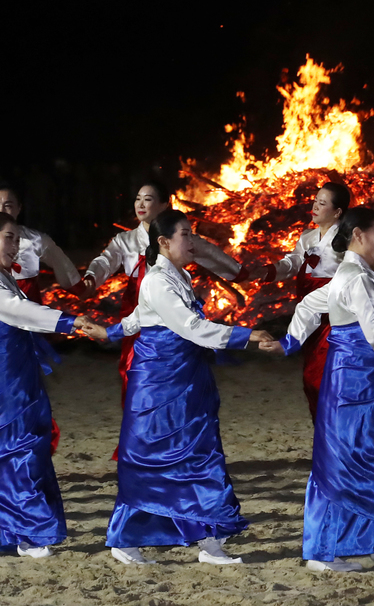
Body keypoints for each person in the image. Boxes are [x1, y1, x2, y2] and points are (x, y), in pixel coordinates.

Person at [263, 207, 374, 571]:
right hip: (357, 385)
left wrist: (290, 342)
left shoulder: (355, 274)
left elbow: (311, 304)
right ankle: (322, 550)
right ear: (359, 234)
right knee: (346, 462)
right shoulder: (356, 277)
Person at [104, 210, 273, 566]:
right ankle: (128, 538)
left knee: (199, 455)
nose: (191, 242)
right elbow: (191, 327)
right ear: (163, 242)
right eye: (184, 235)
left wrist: (112, 331)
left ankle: (211, 541)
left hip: (185, 377)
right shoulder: (158, 280)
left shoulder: (175, 275)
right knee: (156, 460)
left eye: (191, 234)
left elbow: (138, 316)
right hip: (160, 382)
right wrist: (246, 336)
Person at [0, 213, 107, 558]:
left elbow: (20, 311)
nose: (15, 246)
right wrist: (71, 320)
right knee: (7, 453)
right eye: (8, 238)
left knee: (12, 450)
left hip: (12, 378)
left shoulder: (2, 278)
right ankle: (27, 533)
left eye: (18, 239)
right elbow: (18, 312)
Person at [81, 182, 251, 403]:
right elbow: (105, 261)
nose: (140, 204)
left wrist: (240, 274)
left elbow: (210, 253)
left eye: (148, 199)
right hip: (137, 305)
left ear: (164, 204)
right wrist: (91, 278)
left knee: (178, 367)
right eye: (138, 198)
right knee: (132, 368)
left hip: (173, 306)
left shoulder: (179, 238)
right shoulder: (125, 240)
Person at [261, 181, 374, 421]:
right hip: (313, 316)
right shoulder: (307, 237)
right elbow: (293, 262)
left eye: (322, 203)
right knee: (312, 378)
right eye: (315, 201)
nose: (315, 206)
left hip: (336, 318)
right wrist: (265, 272)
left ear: (337, 212)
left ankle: (341, 436)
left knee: (324, 379)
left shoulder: (347, 239)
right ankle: (330, 439)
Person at [0, 183, 82, 302]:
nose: (1, 210)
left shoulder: (35, 240)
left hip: (29, 314)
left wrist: (78, 287)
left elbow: (61, 263)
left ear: (19, 208)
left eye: (8, 206)